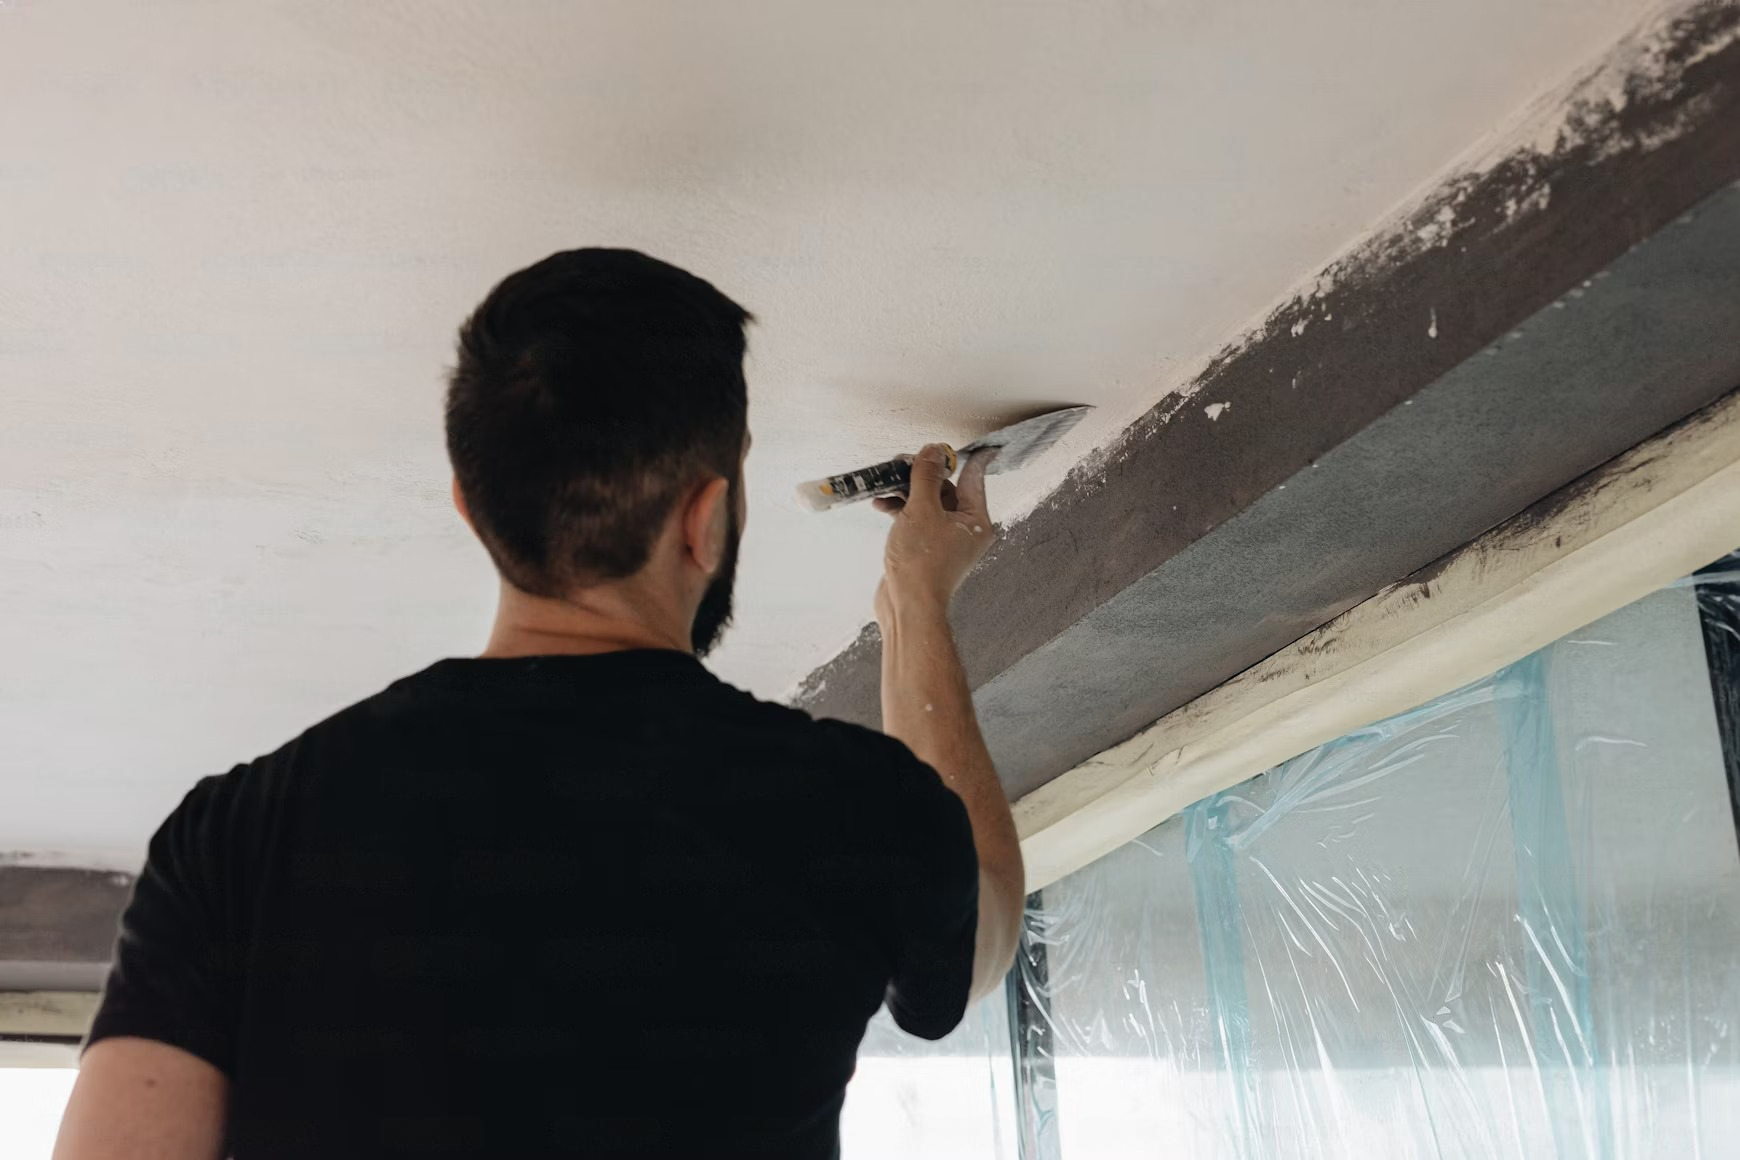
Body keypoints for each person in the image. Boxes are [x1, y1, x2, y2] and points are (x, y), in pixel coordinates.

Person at [54, 248, 1026, 1159]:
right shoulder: (845, 805)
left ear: (471, 508)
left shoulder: (239, 834)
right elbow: (981, 927)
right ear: (705, 517)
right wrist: (913, 600)